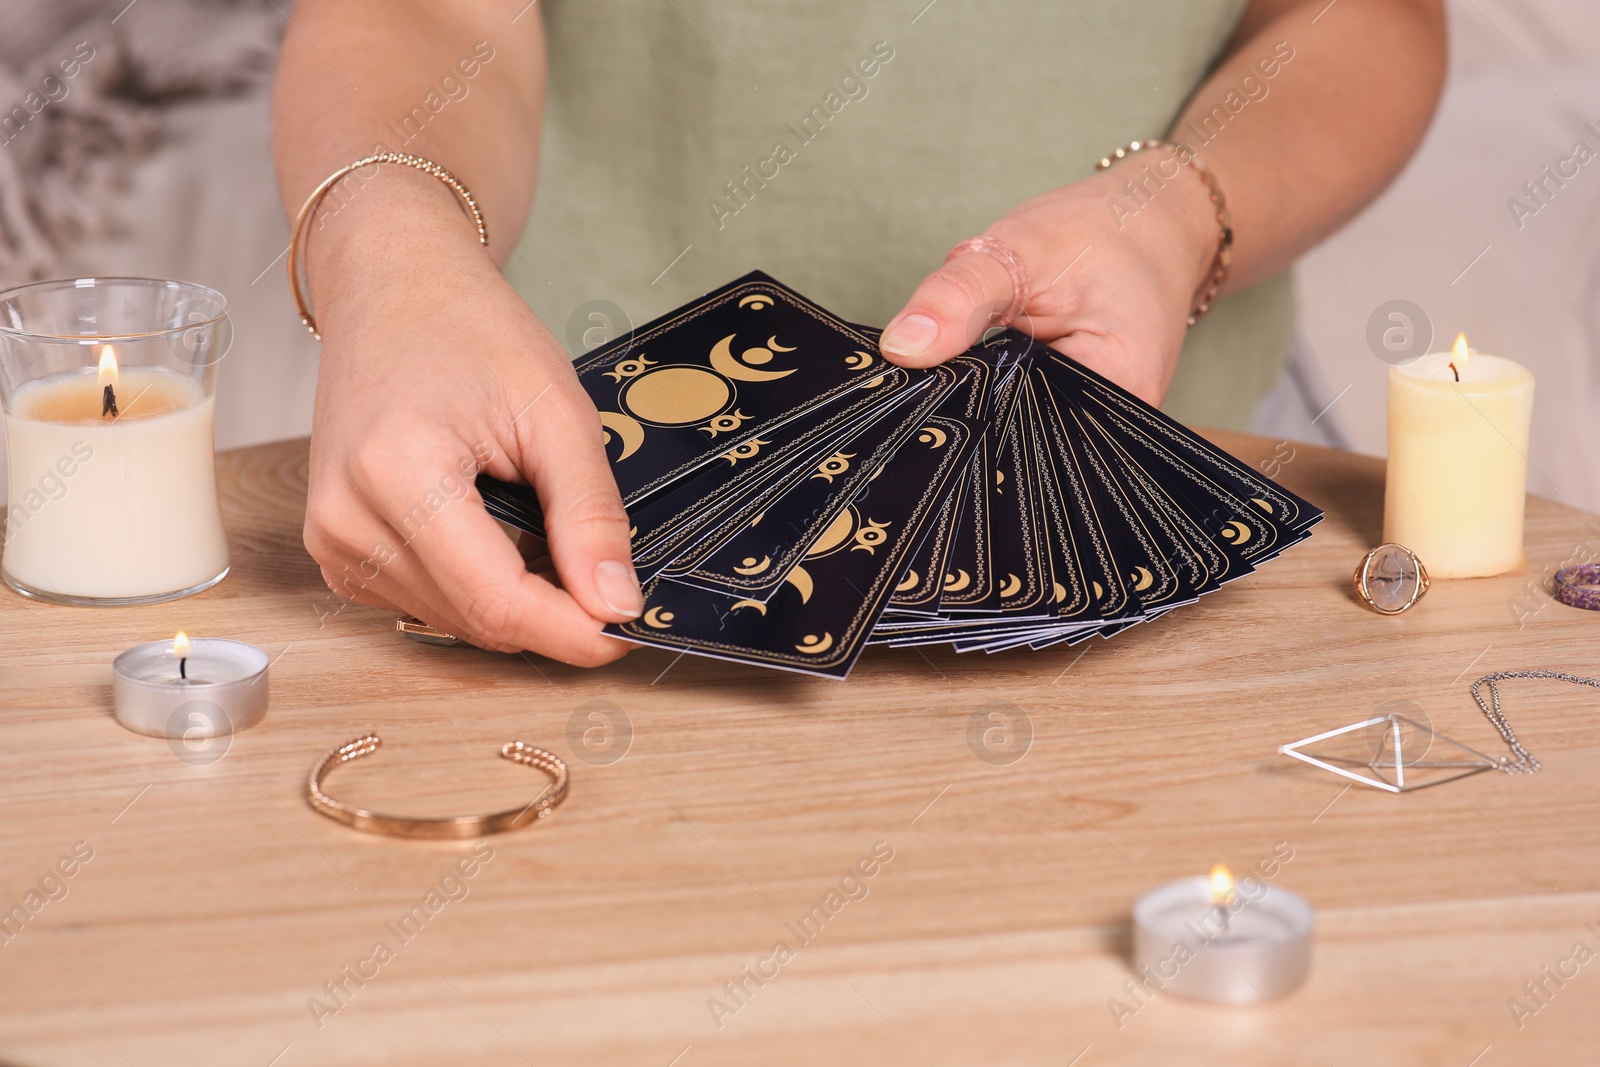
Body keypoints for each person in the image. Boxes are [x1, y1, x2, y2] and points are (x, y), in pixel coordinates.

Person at [272, 0, 1446, 666]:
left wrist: (1183, 214)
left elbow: (1368, 17)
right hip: (548, 464)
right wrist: (389, 258)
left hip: (1179, 441)